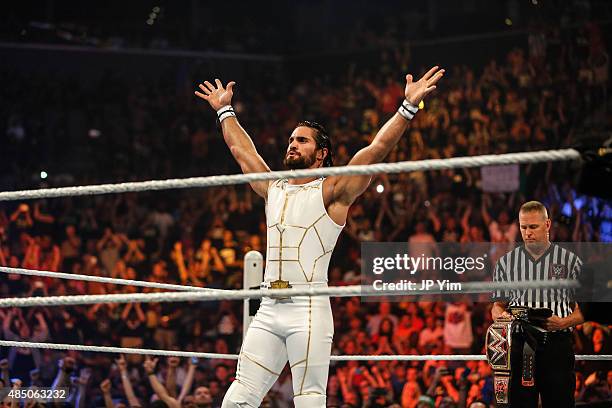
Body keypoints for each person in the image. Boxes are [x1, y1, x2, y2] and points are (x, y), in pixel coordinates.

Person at [195, 66, 445, 407]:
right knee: (239, 397)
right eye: (291, 140)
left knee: (309, 399)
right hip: (268, 307)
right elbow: (243, 152)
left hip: (308, 308)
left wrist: (407, 107)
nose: (292, 145)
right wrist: (225, 111)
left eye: (302, 140)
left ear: (322, 153)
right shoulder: (273, 187)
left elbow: (376, 150)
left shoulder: (334, 190)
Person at [491, 201, 584, 407]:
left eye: (533, 227)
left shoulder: (569, 261)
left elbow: (583, 310)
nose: (527, 233)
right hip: (520, 341)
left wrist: (564, 322)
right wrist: (501, 317)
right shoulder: (506, 263)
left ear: (548, 224)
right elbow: (497, 306)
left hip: (556, 343)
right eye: (524, 227)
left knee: (559, 402)